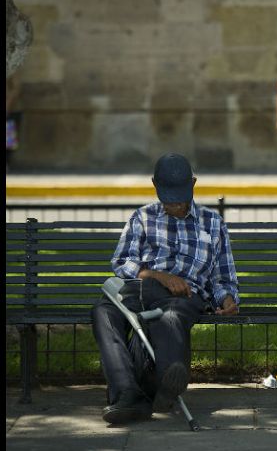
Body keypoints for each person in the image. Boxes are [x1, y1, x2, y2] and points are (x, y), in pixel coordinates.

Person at [91, 152, 240, 424]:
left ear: (193, 184)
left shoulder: (213, 223)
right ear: (154, 184)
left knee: (169, 317)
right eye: (168, 198)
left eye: (180, 197)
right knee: (104, 310)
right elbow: (121, 262)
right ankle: (128, 393)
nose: (175, 204)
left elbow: (222, 278)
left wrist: (227, 299)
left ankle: (167, 380)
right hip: (141, 287)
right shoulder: (142, 217)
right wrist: (156, 275)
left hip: (183, 296)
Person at [6, 74, 22, 170]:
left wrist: (7, 106)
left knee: (8, 139)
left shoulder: (11, 69)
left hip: (11, 110)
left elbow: (16, 89)